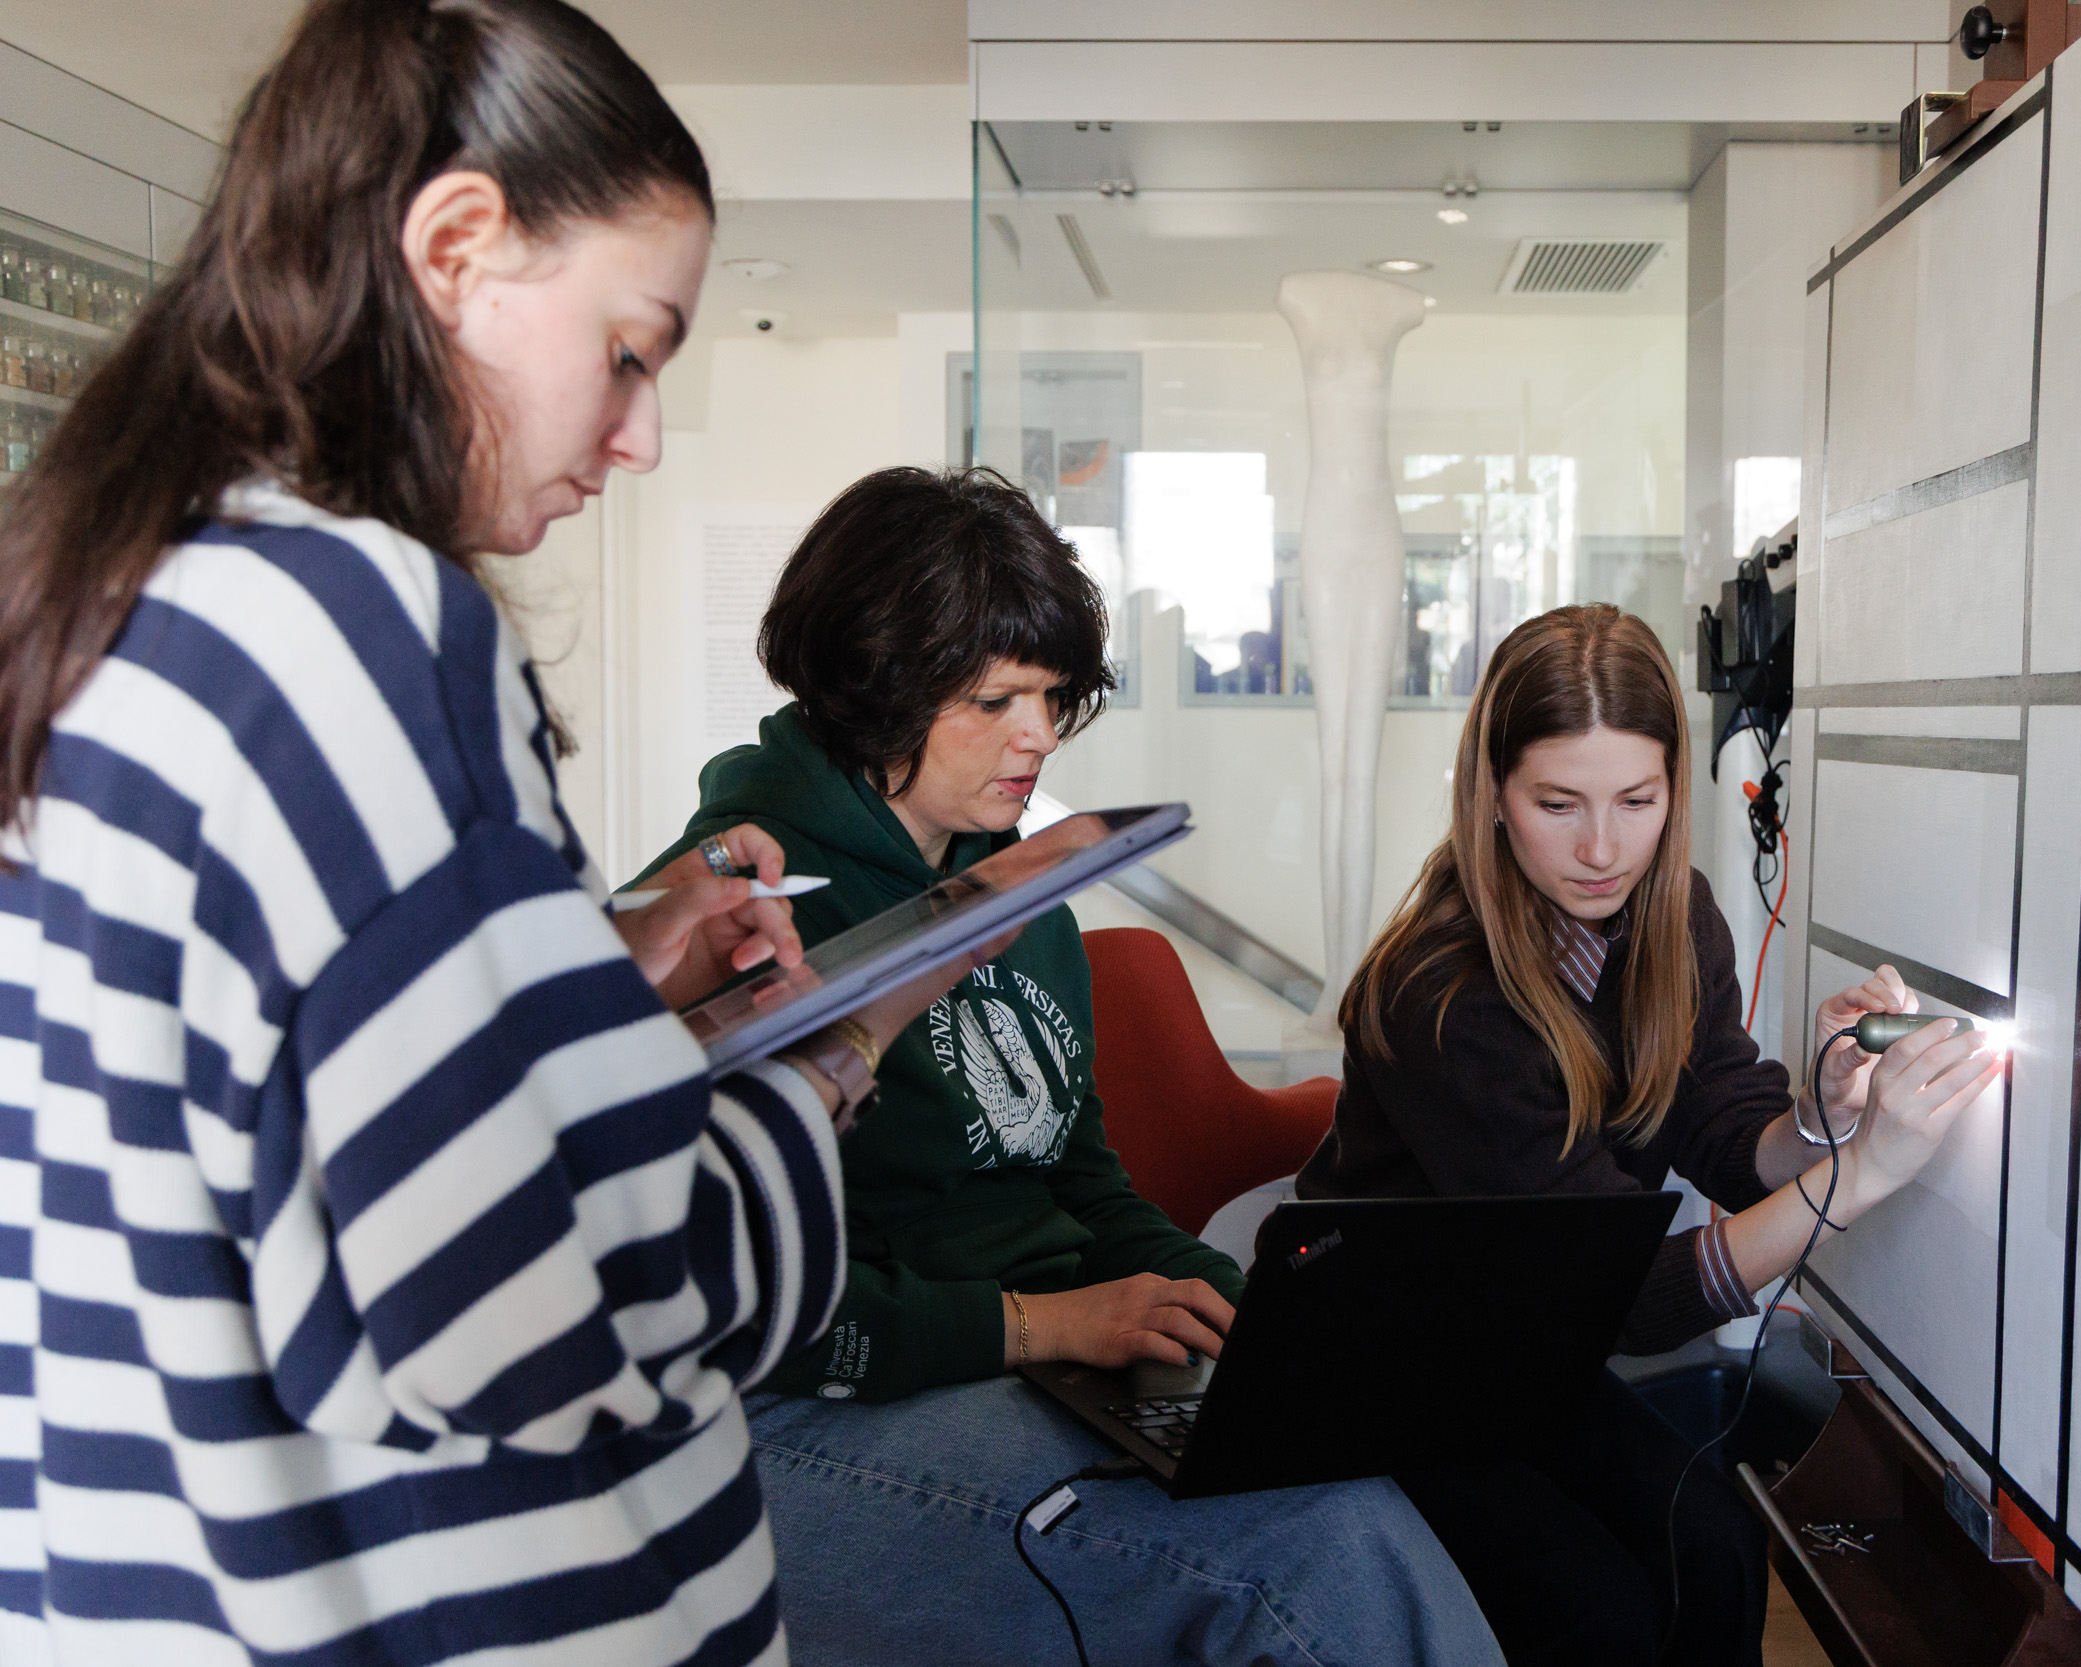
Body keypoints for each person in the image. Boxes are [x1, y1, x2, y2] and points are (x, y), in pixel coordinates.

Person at [0, 3, 986, 1662]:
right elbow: (548, 1303)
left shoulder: (126, 604)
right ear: (456, 245)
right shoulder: (369, 628)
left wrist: (588, 983)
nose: (640, 436)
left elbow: (293, 1137)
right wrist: (816, 1071)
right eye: (626, 350)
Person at [637, 464, 1502, 1666]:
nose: (1037, 737)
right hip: (803, 1417)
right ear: (873, 688)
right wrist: (1044, 1326)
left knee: (1356, 1475)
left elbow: (1082, 1183)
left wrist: (1245, 1322)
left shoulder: (1018, 889)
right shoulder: (741, 914)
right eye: (996, 699)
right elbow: (759, 1313)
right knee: (1312, 1548)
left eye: (1053, 697)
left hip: (1027, 1367)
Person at [1297, 603, 2004, 1667]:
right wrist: (1854, 1178)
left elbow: (1722, 1125)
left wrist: (1821, 1112)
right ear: (1490, 793)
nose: (1600, 847)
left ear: (1675, 789)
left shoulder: (1673, 916)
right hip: (1394, 1368)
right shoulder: (1438, 996)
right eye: (1556, 802)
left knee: (1716, 1548)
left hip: (1531, 1352)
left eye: (1636, 799)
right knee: (1596, 1613)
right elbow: (1624, 1298)